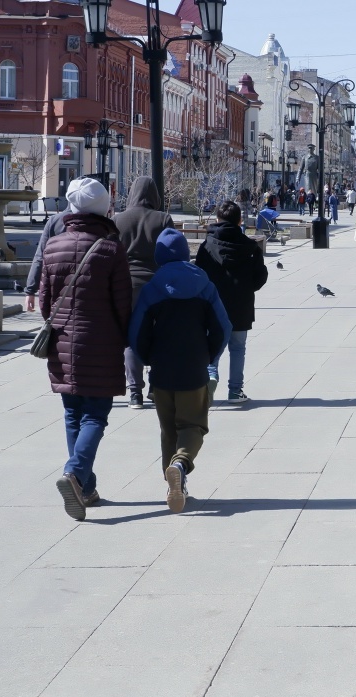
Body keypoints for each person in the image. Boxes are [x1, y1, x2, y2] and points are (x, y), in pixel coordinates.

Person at [40, 177, 132, 521]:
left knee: (72, 414)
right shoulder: (110, 248)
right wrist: (128, 340)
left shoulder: (53, 246)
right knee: (95, 415)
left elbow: (46, 304)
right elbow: (123, 303)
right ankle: (76, 473)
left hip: (62, 341)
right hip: (101, 341)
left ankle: (86, 488)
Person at [130, 228, 230, 513]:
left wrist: (148, 358)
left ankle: (173, 483)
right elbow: (222, 328)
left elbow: (137, 332)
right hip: (194, 367)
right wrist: (209, 355)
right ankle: (180, 464)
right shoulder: (205, 285)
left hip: (162, 370)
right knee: (193, 424)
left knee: (168, 429)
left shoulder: (152, 289)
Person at [111, 177, 175, 410]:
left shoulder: (118, 219)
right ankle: (155, 388)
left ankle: (134, 393)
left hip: (126, 285)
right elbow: (172, 251)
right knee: (157, 336)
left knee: (131, 338)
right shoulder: (163, 219)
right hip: (156, 284)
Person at [196, 201, 267, 404]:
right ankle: (235, 391)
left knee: (213, 345)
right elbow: (260, 276)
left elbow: (199, 274)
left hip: (212, 305)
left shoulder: (207, 246)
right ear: (240, 220)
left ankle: (210, 375)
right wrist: (246, 289)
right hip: (241, 305)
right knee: (237, 348)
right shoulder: (250, 246)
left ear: (217, 219)